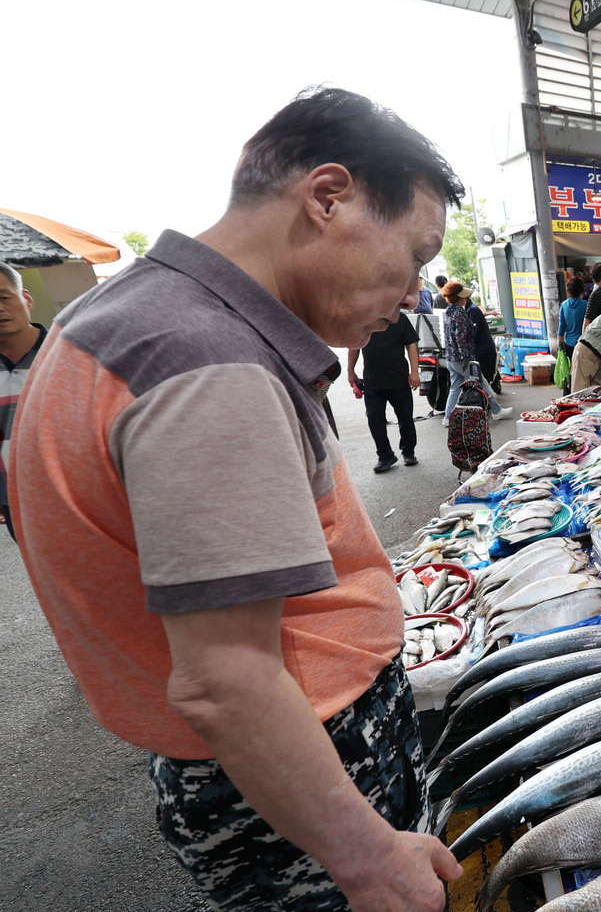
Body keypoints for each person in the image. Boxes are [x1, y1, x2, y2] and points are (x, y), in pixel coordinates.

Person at [8, 87, 463, 911]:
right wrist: (366, 857)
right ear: (329, 197)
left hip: (264, 765)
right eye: (418, 256)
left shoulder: (127, 315)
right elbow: (227, 681)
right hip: (300, 769)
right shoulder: (210, 363)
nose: (414, 295)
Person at [0, 263, 46, 542]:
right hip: (15, 499)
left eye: (3, 297)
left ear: (26, 298)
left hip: (84, 492)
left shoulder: (71, 353)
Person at [348, 311, 421, 473]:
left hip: (399, 379)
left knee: (405, 417)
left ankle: (408, 451)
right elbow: (354, 346)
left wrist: (414, 372)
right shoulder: (362, 319)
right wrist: (350, 371)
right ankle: (385, 455)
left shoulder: (399, 318)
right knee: (374, 419)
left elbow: (411, 345)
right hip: (372, 381)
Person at [441, 280, 508, 424]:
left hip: (451, 357)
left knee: (455, 387)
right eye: (463, 296)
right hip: (462, 358)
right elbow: (460, 337)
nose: (466, 298)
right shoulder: (460, 313)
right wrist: (466, 357)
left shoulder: (448, 311)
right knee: (481, 382)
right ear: (458, 297)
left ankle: (448, 417)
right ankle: (496, 410)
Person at [557, 278, 587, 392]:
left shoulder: (564, 305)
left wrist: (559, 342)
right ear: (582, 290)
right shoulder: (586, 304)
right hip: (582, 343)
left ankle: (567, 390)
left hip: (568, 343)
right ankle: (578, 391)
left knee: (571, 368)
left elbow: (561, 325)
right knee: (581, 370)